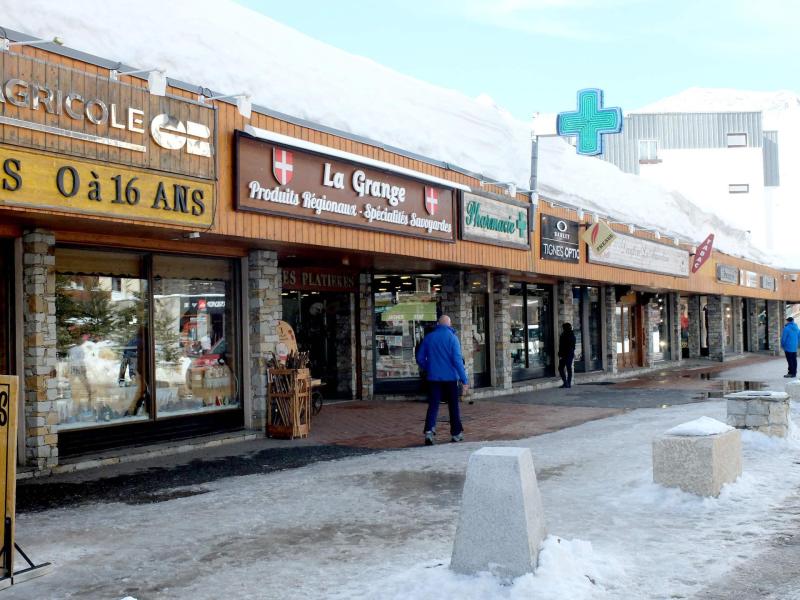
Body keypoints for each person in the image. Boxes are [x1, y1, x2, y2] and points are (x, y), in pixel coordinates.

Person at [416, 315, 468, 445]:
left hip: (433, 378)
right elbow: (457, 360)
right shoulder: (452, 338)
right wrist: (464, 380)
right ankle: (456, 433)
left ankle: (429, 431)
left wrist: (429, 367)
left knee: (433, 405)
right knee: (453, 406)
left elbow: (420, 358)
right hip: (450, 378)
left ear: (438, 324)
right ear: (449, 325)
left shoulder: (429, 338)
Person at [558, 322, 577, 389]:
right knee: (569, 368)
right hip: (570, 353)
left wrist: (560, 354)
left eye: (563, 328)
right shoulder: (572, 335)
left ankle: (566, 383)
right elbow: (574, 346)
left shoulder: (563, 335)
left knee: (561, 368)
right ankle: (568, 383)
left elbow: (561, 346)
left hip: (564, 354)